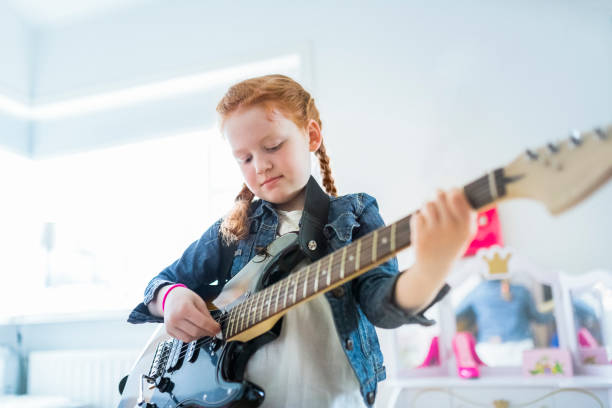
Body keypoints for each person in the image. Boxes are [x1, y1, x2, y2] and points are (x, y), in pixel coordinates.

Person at [128, 74, 477, 407]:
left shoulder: (354, 214)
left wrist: (432, 268)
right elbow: (161, 283)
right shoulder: (235, 228)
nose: (260, 166)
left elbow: (380, 306)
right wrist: (170, 298)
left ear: (311, 136)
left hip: (333, 396)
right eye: (245, 158)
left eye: (273, 146)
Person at [455, 278, 554, 366]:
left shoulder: (478, 291)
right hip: (521, 348)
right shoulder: (521, 290)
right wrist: (554, 311)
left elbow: (456, 314)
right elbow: (539, 318)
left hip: (488, 350)